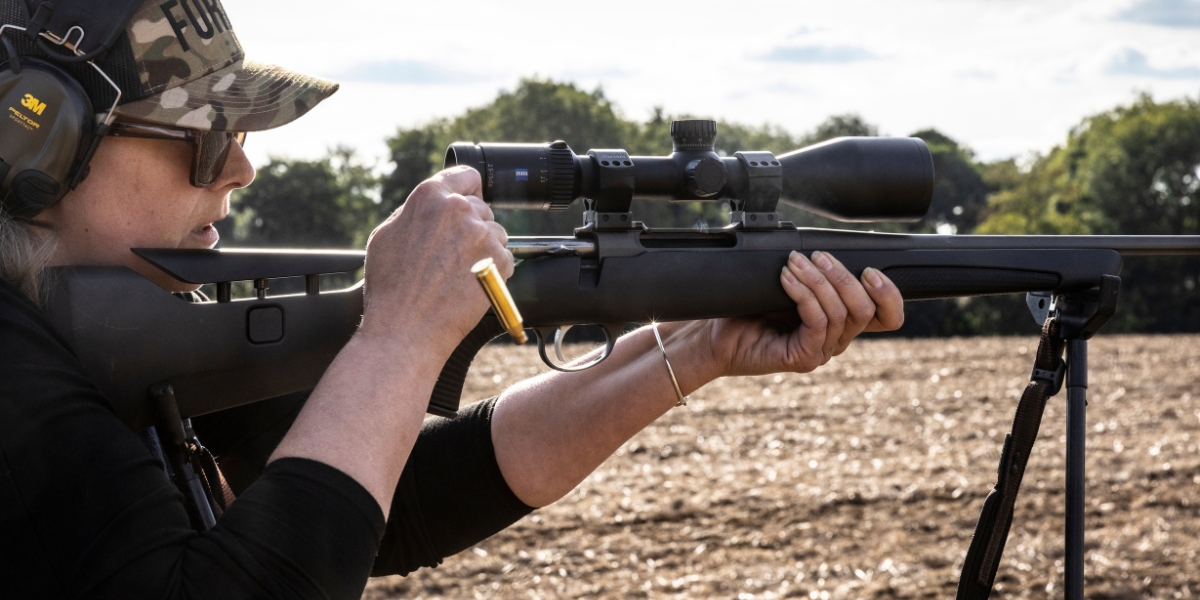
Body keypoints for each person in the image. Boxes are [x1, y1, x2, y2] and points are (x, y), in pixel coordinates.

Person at [0, 0, 905, 597]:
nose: (240, 168)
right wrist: (395, 337)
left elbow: (392, 507)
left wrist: (693, 346)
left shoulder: (103, 330)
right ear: (34, 145)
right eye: (203, 140)